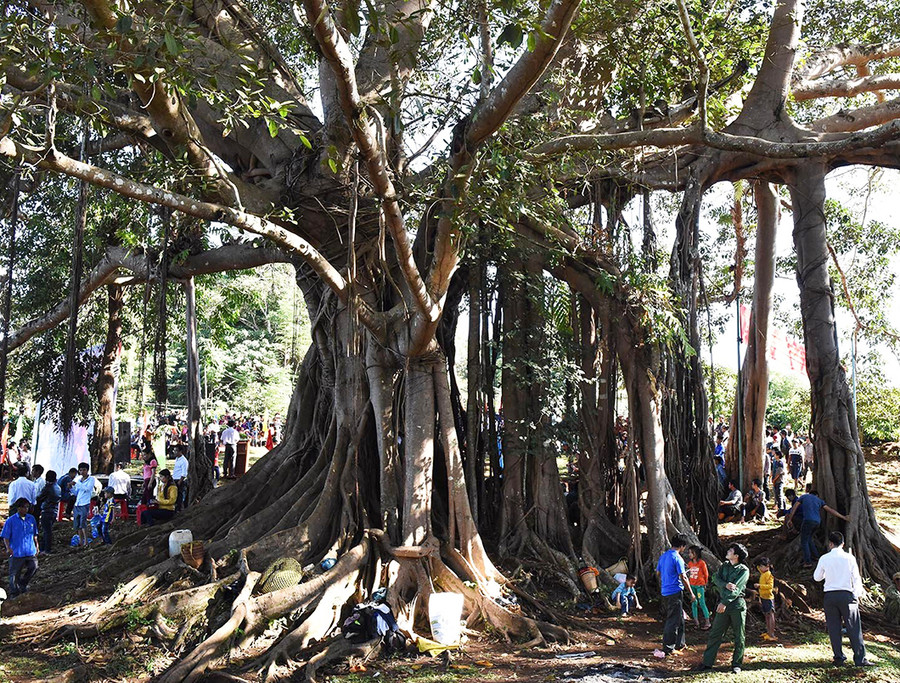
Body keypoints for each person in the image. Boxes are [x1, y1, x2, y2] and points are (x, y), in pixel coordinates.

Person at [813, 531, 872, 667]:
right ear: (843, 544)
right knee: (854, 627)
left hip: (830, 596)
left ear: (830, 543)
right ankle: (860, 659)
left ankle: (838, 658)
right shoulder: (849, 558)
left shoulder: (824, 558)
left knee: (834, 627)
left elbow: (817, 577)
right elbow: (856, 578)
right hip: (847, 595)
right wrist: (857, 595)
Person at [697, 543, 750, 674]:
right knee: (716, 634)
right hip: (723, 605)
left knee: (739, 636)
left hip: (736, 606)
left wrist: (725, 602)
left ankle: (736, 664)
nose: (728, 551)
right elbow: (715, 578)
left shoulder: (743, 570)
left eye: (730, 550)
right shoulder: (724, 566)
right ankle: (707, 663)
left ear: (736, 556)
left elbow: (736, 589)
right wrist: (725, 584)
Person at [653, 534, 695, 659]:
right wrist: (691, 593)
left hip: (665, 591)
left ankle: (680, 643)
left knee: (679, 617)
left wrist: (668, 578)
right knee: (672, 620)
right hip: (674, 591)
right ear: (682, 546)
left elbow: (658, 573)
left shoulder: (664, 556)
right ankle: (668, 648)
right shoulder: (677, 558)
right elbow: (684, 577)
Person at [785, 489, 849, 567]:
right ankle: (816, 556)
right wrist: (843, 517)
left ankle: (808, 562)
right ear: (817, 495)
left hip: (808, 521)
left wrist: (790, 519)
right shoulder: (819, 500)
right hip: (817, 522)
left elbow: (794, 507)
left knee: (804, 541)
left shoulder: (803, 497)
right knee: (809, 539)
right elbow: (830, 510)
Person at [1, 497, 39, 598]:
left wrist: (37, 545)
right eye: (24, 507)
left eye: (27, 507)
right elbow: (5, 536)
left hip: (30, 550)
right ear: (19, 508)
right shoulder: (11, 520)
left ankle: (23, 584)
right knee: (14, 574)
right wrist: (8, 548)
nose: (26, 509)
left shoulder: (31, 519)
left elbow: (34, 534)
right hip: (17, 551)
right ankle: (14, 593)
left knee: (34, 567)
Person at [35, 470, 61, 554]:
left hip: (47, 510)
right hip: (54, 511)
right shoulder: (58, 487)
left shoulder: (48, 487)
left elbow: (39, 497)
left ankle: (46, 549)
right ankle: (45, 548)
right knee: (48, 530)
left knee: (46, 531)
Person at [72, 462, 96, 547]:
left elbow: (87, 489)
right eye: (81, 470)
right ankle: (80, 541)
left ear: (87, 470)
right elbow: (76, 492)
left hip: (84, 503)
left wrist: (77, 484)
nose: (82, 472)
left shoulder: (91, 479)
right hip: (78, 503)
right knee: (77, 524)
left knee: (83, 523)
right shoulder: (79, 480)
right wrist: (71, 487)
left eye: (84, 470)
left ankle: (86, 540)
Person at [688, 545, 711, 630]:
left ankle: (707, 622)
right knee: (694, 603)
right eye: (689, 552)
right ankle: (696, 622)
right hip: (692, 585)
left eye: (692, 553)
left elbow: (706, 574)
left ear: (696, 554)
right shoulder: (690, 564)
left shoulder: (702, 563)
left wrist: (705, 583)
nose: (690, 554)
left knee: (702, 603)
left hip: (699, 586)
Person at [755, 557, 777, 641]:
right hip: (763, 597)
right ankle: (768, 632)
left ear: (767, 566)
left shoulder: (769, 574)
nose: (760, 568)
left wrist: (760, 586)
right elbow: (758, 567)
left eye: (762, 566)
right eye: (759, 566)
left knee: (770, 615)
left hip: (768, 598)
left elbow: (770, 586)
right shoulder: (763, 573)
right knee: (766, 615)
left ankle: (772, 634)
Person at [172, 446, 189, 511]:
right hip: (175, 478)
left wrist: (180, 481)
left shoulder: (184, 461)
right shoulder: (177, 459)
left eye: (176, 451)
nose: (174, 452)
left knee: (180, 495)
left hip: (179, 480)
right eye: (174, 450)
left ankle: (179, 509)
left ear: (180, 451)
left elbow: (184, 473)